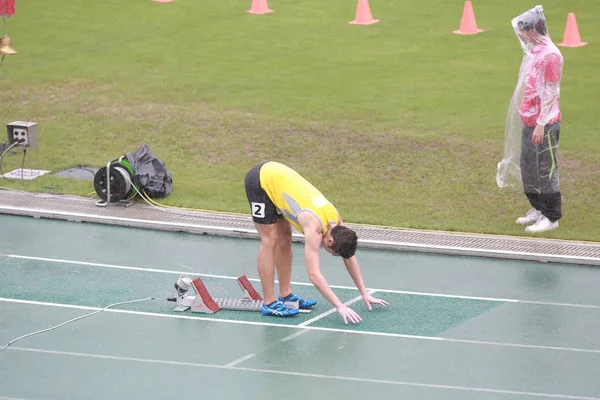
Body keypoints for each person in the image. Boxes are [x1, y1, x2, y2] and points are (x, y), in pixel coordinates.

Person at [244, 161, 388, 324]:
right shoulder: (314, 228)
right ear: (330, 239)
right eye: (332, 252)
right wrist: (339, 306)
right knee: (270, 239)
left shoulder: (336, 220)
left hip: (279, 181)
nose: (330, 253)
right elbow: (314, 274)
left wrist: (364, 292)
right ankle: (269, 303)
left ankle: (285, 295)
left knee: (285, 237)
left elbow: (348, 256)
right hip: (261, 180)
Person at [496, 5, 564, 233]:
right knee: (528, 167)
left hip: (545, 123)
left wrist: (541, 123)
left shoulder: (551, 55)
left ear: (534, 30)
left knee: (545, 168)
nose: (522, 36)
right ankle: (537, 207)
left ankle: (551, 216)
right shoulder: (535, 52)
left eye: (524, 31)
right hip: (530, 121)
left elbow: (552, 91)